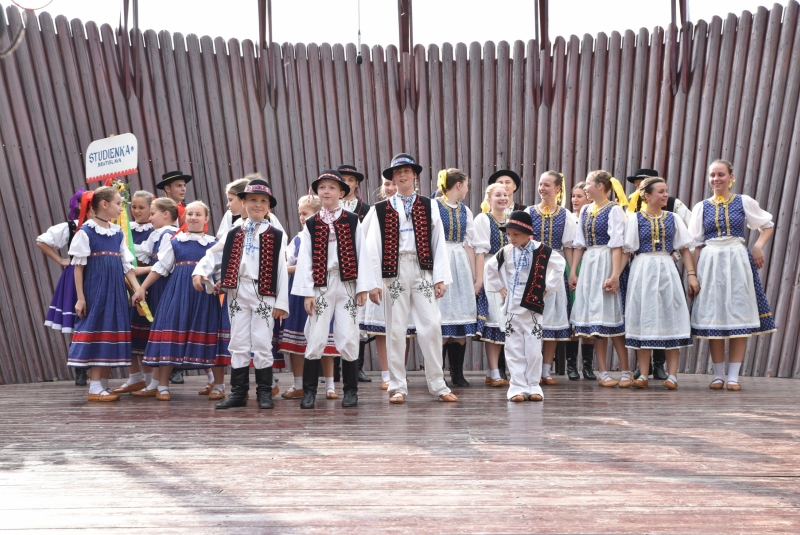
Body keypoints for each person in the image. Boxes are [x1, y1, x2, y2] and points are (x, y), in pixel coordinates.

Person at [366, 153, 457, 404]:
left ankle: (438, 384)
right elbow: (372, 247)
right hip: (393, 271)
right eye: (397, 172)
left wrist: (440, 278)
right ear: (392, 178)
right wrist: (374, 283)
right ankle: (397, 386)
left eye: (407, 171)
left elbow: (439, 243)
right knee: (395, 329)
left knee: (431, 326)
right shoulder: (379, 209)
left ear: (415, 175)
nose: (402, 175)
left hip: (422, 268)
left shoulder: (430, 205)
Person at [193, 178, 289, 409]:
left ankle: (264, 392)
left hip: (263, 291)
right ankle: (238, 392)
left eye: (263, 201)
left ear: (269, 206)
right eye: (253, 200)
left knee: (263, 340)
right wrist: (200, 272)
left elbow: (282, 269)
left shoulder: (276, 234)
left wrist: (281, 302)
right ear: (243, 202)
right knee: (238, 341)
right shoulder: (233, 232)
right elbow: (213, 255)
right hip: (237, 290)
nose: (258, 205)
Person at [689, 159, 776, 391]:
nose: (716, 179)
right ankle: (718, 375)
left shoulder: (743, 201)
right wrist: (693, 275)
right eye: (712, 175)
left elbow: (767, 225)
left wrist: (758, 246)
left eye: (720, 175)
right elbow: (696, 243)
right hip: (710, 261)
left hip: (737, 260)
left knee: (738, 313)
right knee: (714, 316)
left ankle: (734, 376)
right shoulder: (701, 207)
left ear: (731, 177)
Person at [293, 170, 371, 409]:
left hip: (346, 283)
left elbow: (362, 253)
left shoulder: (351, 220)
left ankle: (350, 391)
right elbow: (305, 258)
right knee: (316, 337)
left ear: (341, 193)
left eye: (332, 187)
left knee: (348, 336)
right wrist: (307, 291)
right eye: (323, 187)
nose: (326, 191)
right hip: (321, 284)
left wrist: (363, 286)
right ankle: (309, 393)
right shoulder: (312, 223)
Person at [132, 201, 220, 401]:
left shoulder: (214, 243)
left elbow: (221, 270)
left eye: (198, 214)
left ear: (206, 219)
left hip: (203, 295)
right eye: (190, 214)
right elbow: (160, 267)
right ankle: (162, 386)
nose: (193, 217)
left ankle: (216, 382)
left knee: (207, 334)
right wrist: (142, 288)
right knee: (169, 334)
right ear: (184, 217)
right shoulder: (175, 241)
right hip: (177, 293)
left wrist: (220, 283)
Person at [66, 186, 141, 402]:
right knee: (98, 330)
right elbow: (78, 267)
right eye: (118, 203)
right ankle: (95, 387)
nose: (121, 208)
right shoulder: (86, 231)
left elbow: (126, 265)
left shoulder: (117, 232)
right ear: (105, 204)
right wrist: (81, 297)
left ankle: (103, 386)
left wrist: (137, 289)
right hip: (96, 290)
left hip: (115, 290)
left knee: (110, 329)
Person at [623, 177, 699, 390]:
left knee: (671, 315)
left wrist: (691, 274)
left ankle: (673, 375)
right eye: (661, 192)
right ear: (647, 196)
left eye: (666, 191)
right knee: (644, 316)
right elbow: (626, 251)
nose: (666, 195)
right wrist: (614, 276)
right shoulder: (635, 219)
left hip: (666, 268)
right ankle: (643, 374)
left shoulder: (673, 218)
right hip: (643, 268)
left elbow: (684, 248)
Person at [484, 210, 566, 401]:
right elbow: (490, 269)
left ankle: (534, 385)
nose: (511, 238)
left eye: (516, 234)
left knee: (533, 347)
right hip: (513, 306)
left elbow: (559, 264)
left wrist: (547, 287)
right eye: (509, 234)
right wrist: (500, 288)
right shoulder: (505, 252)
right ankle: (517, 387)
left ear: (528, 233)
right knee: (513, 347)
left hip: (533, 307)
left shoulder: (543, 251)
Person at [569, 170, 632, 387]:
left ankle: (626, 370)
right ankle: (603, 371)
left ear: (601, 186)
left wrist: (614, 275)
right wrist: (574, 271)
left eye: (588, 184)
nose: (585, 188)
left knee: (612, 318)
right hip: (590, 264)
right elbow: (579, 243)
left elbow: (617, 245)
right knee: (596, 322)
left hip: (606, 261)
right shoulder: (585, 209)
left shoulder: (614, 210)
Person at [278, 194, 343, 401]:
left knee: (324, 338)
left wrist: (290, 270)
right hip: (299, 294)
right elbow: (287, 262)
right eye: (300, 214)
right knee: (297, 341)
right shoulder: (297, 238)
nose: (301, 217)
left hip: (322, 291)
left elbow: (321, 264)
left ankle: (331, 385)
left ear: (317, 213)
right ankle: (298, 384)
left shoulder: (328, 235)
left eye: (305, 213)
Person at [359, 177, 415, 390]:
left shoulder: (414, 208)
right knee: (383, 327)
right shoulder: (377, 210)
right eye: (387, 184)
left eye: (394, 183)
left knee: (405, 325)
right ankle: (386, 373)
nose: (391, 188)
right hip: (384, 272)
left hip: (408, 270)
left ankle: (400, 370)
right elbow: (365, 241)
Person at [528, 171, 577, 386]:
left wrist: (572, 272)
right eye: (540, 184)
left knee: (553, 320)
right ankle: (532, 369)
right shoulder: (529, 212)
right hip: (533, 265)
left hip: (556, 266)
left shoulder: (566, 215)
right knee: (533, 320)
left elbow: (569, 246)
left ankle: (546, 371)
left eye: (547, 185)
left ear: (558, 189)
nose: (542, 188)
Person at [37, 188, 87, 385]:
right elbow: (42, 241)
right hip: (76, 276)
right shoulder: (72, 227)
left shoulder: (106, 226)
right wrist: (60, 260)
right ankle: (80, 369)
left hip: (99, 275)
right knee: (77, 321)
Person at [434, 168, 478, 387]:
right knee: (441, 317)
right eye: (466, 184)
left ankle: (457, 373)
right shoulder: (434, 206)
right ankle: (436, 373)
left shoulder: (465, 211)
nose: (467, 188)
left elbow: (469, 243)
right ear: (458, 185)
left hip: (459, 262)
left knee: (460, 313)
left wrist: (473, 274)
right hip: (440, 260)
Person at [112, 190, 156, 394]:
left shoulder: (156, 231)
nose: (136, 211)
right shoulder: (124, 228)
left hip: (146, 284)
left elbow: (160, 260)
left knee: (143, 332)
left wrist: (142, 270)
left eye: (141, 207)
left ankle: (149, 379)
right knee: (128, 329)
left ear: (151, 208)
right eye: (134, 207)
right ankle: (134, 377)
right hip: (125, 283)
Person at [156, 170, 192, 386]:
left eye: (183, 185)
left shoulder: (188, 211)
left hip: (180, 268)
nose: (183, 189)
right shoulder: (162, 210)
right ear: (167, 189)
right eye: (178, 185)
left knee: (181, 316)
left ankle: (177, 367)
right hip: (163, 266)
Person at [338, 164, 373, 383]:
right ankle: (333, 369)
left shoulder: (366, 209)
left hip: (357, 263)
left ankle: (356, 367)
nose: (347, 183)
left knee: (357, 315)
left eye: (350, 180)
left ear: (356, 183)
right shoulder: (328, 206)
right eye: (343, 179)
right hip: (333, 266)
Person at [473, 183, 510, 387]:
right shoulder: (483, 219)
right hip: (491, 271)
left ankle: (494, 371)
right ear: (488, 200)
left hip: (509, 274)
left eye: (505, 195)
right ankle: (494, 371)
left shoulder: (512, 220)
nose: (502, 198)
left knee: (506, 322)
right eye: (498, 195)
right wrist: (479, 280)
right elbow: (480, 253)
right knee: (494, 322)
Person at [564, 181, 596, 380]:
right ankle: (570, 365)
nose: (575, 200)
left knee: (589, 313)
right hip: (573, 265)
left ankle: (587, 366)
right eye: (573, 196)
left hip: (591, 265)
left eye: (579, 196)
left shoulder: (591, 216)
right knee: (573, 314)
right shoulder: (569, 218)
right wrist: (572, 270)